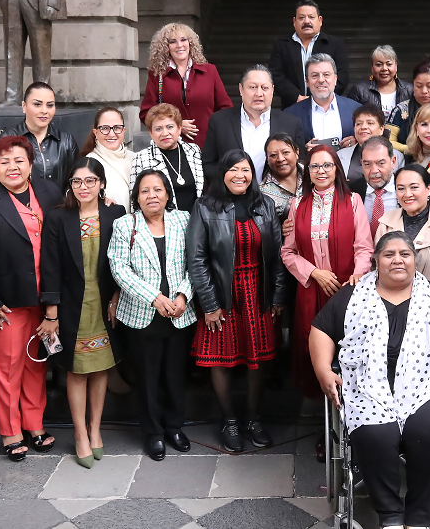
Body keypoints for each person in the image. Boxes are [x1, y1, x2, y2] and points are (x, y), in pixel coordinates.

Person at [310, 231, 430, 529]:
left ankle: (418, 516)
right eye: (389, 254)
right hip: (366, 384)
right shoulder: (352, 295)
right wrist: (324, 370)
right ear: (376, 261)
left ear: (415, 260)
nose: (397, 260)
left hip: (424, 385)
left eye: (405, 254)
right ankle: (389, 515)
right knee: (376, 434)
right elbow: (321, 329)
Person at [0, 135, 63, 461]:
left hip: (44, 298)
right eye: (4, 161)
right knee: (7, 368)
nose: (12, 167)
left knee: (36, 364)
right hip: (4, 303)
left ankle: (35, 423)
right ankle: (10, 431)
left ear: (30, 164)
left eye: (19, 160)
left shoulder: (49, 192)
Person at [186, 150, 287, 452]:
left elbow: (277, 257)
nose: (239, 175)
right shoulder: (205, 207)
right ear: (222, 173)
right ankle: (230, 420)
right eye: (233, 169)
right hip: (222, 294)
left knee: (258, 360)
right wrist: (209, 304)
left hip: (258, 292)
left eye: (245, 170)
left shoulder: (265, 205)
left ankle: (253, 418)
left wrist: (278, 295)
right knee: (221, 360)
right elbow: (197, 259)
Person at [41, 159, 126, 468]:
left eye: (90, 181)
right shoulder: (58, 218)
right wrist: (51, 313)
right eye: (77, 182)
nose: (84, 187)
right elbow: (49, 266)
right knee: (77, 369)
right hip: (71, 305)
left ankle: (95, 429)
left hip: (104, 304)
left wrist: (118, 296)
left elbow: (122, 261)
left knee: (100, 367)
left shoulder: (115, 213)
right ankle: (79, 434)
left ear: (101, 184)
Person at [108, 170, 198, 462]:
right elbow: (119, 268)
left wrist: (183, 294)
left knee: (175, 374)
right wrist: (154, 297)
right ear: (136, 197)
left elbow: (196, 262)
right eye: (145, 191)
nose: (152, 196)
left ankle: (174, 427)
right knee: (147, 376)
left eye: (157, 189)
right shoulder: (124, 225)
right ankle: (153, 433)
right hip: (142, 314)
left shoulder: (183, 220)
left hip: (179, 313)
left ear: (167, 194)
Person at [282, 146, 374, 424]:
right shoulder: (298, 204)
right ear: (307, 172)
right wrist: (315, 274)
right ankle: (323, 420)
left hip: (347, 291)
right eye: (314, 167)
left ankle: (352, 417)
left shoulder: (354, 201)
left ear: (337, 168)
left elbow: (364, 247)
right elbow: (288, 252)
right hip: (310, 290)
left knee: (348, 351)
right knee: (316, 352)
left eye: (327, 166)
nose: (321, 171)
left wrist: (357, 276)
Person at [202, 65, 308, 183]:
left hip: (278, 198)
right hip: (230, 197)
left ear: (272, 90)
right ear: (241, 89)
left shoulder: (291, 123)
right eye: (252, 87)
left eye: (264, 88)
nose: (259, 93)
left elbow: (300, 163)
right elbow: (208, 163)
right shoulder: (220, 121)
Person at [139, 22, 232, 147]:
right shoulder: (157, 74)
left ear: (190, 43)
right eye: (172, 42)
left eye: (183, 40)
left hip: (208, 145)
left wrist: (216, 132)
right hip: (172, 147)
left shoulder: (210, 71)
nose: (179, 45)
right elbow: (147, 113)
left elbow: (226, 109)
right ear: (165, 47)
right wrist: (176, 125)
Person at [375, 164, 430, 294]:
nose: (407, 194)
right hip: (394, 298)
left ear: (428, 189)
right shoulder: (386, 222)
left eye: (414, 187)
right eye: (401, 189)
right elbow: (378, 265)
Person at [268, 0, 351, 108]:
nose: (306, 21)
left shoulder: (335, 44)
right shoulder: (282, 45)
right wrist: (296, 97)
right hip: (292, 106)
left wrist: (322, 98)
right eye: (301, 18)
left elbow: (342, 76)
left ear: (320, 20)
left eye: (311, 17)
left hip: (327, 106)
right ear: (294, 21)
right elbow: (275, 75)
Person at [130, 104, 204, 213]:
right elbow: (135, 201)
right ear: (151, 133)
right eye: (158, 129)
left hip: (197, 223)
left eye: (170, 127)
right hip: (163, 225)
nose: (165, 133)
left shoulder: (194, 150)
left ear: (179, 128)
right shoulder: (142, 157)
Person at [4, 81, 79, 188]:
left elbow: (77, 181)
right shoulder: (9, 140)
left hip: (60, 204)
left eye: (50, 105)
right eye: (37, 104)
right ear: (24, 106)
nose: (44, 111)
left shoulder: (66, 141)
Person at [282, 54, 361, 149]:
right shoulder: (291, 114)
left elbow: (369, 140)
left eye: (326, 75)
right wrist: (304, 151)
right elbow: (286, 149)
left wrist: (358, 142)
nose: (321, 80)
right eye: (315, 75)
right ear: (307, 81)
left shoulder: (356, 109)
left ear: (335, 79)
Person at [80, 106, 139, 207]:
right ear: (96, 133)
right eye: (105, 128)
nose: (111, 134)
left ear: (124, 131)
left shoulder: (136, 158)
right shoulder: (89, 164)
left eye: (117, 128)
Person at [347, 136, 400, 236]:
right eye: (367, 164)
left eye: (381, 163)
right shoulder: (350, 191)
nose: (374, 170)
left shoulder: (408, 188)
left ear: (393, 162)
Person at [336, 104, 404, 181]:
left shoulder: (397, 156)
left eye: (370, 123)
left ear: (381, 129)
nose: (363, 127)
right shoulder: (340, 155)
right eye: (359, 124)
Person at [344, 44, 412, 117]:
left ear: (396, 66)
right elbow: (350, 118)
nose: (384, 68)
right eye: (379, 65)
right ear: (372, 68)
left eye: (389, 64)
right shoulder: (359, 90)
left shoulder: (409, 90)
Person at [260, 133, 305, 219]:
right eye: (273, 155)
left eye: (286, 152)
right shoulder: (263, 193)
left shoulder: (312, 174)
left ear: (296, 152)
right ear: (267, 159)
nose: (280, 159)